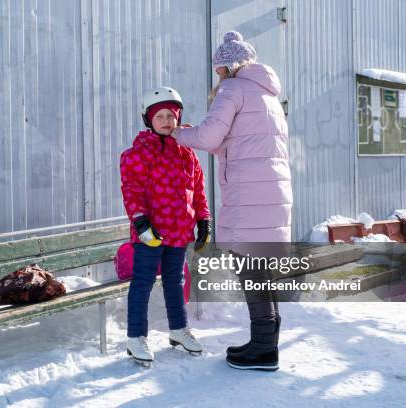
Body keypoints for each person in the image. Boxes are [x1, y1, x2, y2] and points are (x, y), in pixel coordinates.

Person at [171, 31, 292, 371]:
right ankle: (265, 343)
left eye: (218, 69)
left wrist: (179, 133)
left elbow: (210, 136)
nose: (217, 76)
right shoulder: (267, 95)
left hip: (248, 197)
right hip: (272, 196)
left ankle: (264, 350)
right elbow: (242, 144)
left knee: (250, 271)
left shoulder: (233, 89)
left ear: (226, 66)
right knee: (260, 272)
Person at [119, 86, 212, 365]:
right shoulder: (136, 154)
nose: (166, 121)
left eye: (171, 116)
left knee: (176, 281)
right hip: (151, 233)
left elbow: (198, 190)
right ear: (148, 119)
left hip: (179, 232)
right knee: (143, 282)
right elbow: (132, 191)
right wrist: (140, 221)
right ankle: (136, 337)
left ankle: (178, 330)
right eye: (159, 116)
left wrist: (203, 220)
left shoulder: (187, 154)